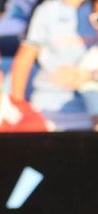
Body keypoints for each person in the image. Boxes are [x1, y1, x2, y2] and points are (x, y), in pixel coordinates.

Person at [8, 0, 98, 131]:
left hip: (89, 110)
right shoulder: (47, 10)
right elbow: (23, 60)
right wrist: (18, 106)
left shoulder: (94, 9)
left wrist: (88, 76)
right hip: (47, 107)